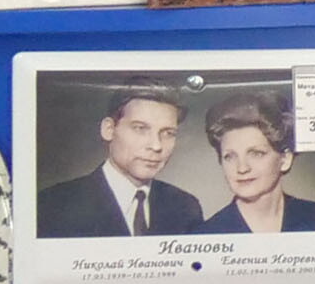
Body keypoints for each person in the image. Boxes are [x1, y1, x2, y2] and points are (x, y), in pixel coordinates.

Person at [35, 85, 205, 237]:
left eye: (168, 133)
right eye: (140, 128)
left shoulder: (185, 207)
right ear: (109, 129)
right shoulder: (53, 206)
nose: (156, 145)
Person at [199, 95, 315, 235]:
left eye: (256, 154)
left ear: (285, 159)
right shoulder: (206, 234)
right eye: (230, 157)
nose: (242, 168)